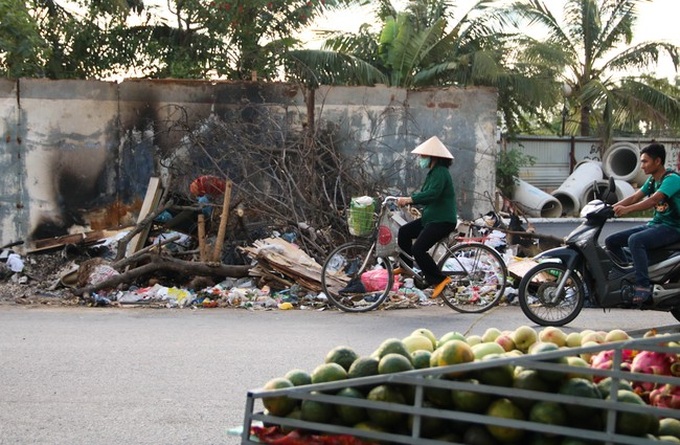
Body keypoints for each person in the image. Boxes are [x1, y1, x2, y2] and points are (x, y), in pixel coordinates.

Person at [604, 142, 680, 306]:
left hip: (674, 228)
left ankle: (643, 286)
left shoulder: (672, 179)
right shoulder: (653, 180)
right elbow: (633, 197)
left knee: (635, 240)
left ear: (657, 161)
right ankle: (629, 276)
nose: (642, 166)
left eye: (645, 161)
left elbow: (653, 200)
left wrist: (627, 210)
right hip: (656, 224)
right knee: (611, 241)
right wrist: (609, 209)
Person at [396, 136, 458, 298]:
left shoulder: (441, 172)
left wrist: (411, 199)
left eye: (423, 156)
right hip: (430, 219)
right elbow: (425, 194)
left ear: (433, 157)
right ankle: (406, 267)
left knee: (419, 249)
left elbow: (433, 194)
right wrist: (410, 200)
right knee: (404, 232)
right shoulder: (433, 173)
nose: (420, 159)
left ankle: (440, 279)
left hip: (442, 221)